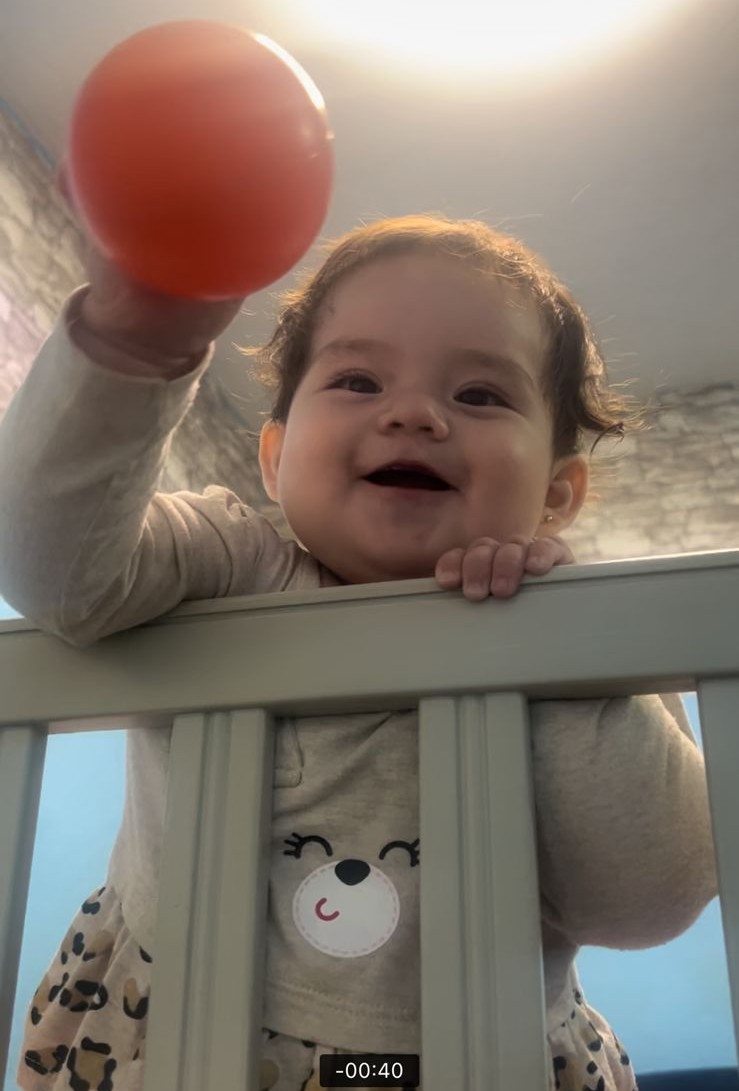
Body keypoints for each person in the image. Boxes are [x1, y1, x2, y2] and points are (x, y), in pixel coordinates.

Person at [0, 206, 717, 1091]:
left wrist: (554, 640)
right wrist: (129, 350)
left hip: (480, 1057)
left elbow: (651, 901)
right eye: (356, 381)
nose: (413, 414)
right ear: (273, 459)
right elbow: (52, 570)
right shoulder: (232, 562)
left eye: (479, 395)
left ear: (556, 495)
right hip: (174, 1032)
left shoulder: (590, 641)